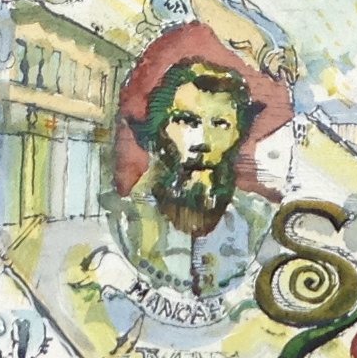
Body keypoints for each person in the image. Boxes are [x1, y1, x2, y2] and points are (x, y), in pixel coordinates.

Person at [109, 57, 262, 304]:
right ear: (163, 127)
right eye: (187, 121)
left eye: (219, 123)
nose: (202, 139)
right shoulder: (125, 218)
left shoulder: (256, 219)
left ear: (237, 134)